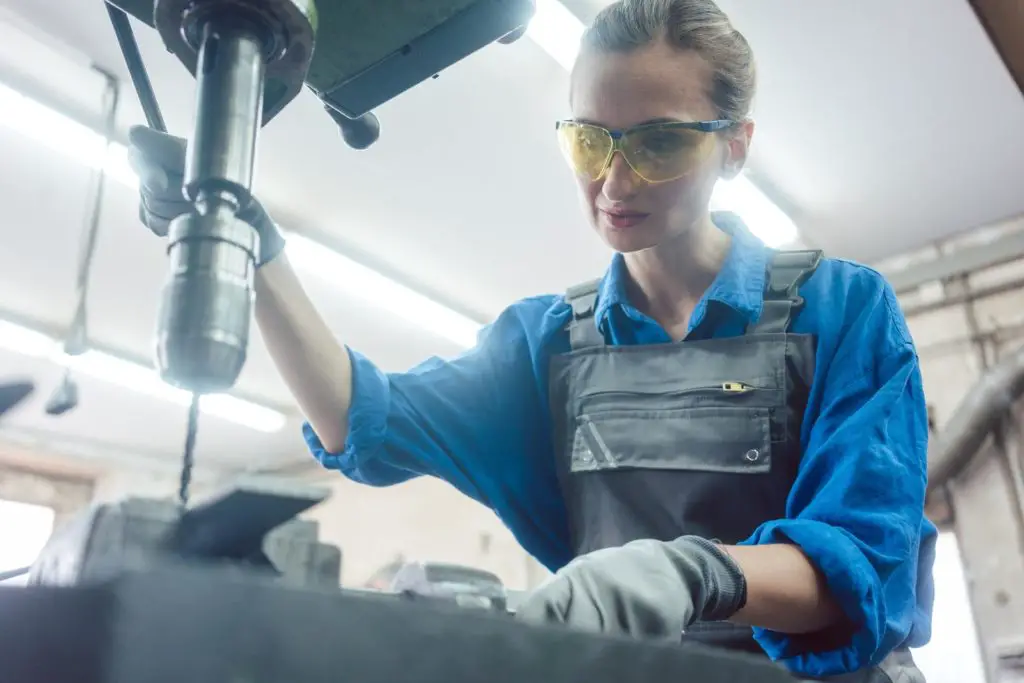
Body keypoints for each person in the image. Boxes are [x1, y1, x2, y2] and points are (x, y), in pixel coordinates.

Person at [127, 0, 937, 680]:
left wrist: (691, 570)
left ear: (733, 145)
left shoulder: (838, 308)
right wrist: (255, 251)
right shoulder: (546, 345)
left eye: (658, 143)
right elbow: (360, 418)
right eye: (590, 140)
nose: (614, 184)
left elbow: (859, 570)